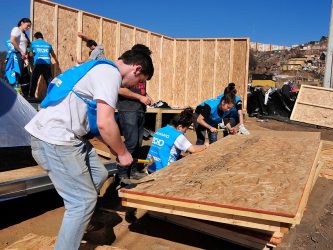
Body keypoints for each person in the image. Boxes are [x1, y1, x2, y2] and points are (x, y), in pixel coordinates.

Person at [24, 45, 154, 250]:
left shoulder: (97, 68)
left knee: (99, 173)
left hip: (65, 137)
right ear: (136, 69)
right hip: (56, 141)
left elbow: (92, 123)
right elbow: (105, 122)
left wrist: (112, 146)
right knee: (82, 201)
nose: (133, 86)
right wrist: (122, 152)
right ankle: (78, 220)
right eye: (139, 81)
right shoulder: (110, 74)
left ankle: (82, 221)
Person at [116, 44, 154, 185]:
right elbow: (119, 89)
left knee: (137, 143)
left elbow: (140, 91)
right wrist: (140, 98)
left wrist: (146, 97)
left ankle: (132, 172)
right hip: (127, 109)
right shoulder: (125, 69)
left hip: (139, 109)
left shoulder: (141, 71)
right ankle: (121, 175)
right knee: (131, 143)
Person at [146, 108, 208, 173]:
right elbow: (193, 149)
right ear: (180, 127)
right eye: (186, 129)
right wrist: (205, 146)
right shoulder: (177, 135)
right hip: (163, 170)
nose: (185, 131)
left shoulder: (161, 130)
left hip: (151, 167)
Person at [29, 32, 59, 98]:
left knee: (34, 80)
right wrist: (57, 61)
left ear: (35, 38)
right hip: (47, 64)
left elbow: (30, 54)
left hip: (38, 64)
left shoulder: (33, 44)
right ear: (42, 37)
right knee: (49, 81)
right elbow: (53, 54)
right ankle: (51, 96)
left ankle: (31, 96)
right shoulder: (48, 44)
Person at [9, 18, 31, 96]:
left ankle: (25, 96)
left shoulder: (24, 33)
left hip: (23, 57)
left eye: (29, 26)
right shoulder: (16, 29)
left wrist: (26, 54)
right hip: (17, 55)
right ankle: (14, 94)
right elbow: (12, 40)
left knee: (25, 77)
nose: (28, 27)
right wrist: (21, 51)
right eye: (27, 25)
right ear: (22, 23)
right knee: (18, 75)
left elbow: (26, 46)